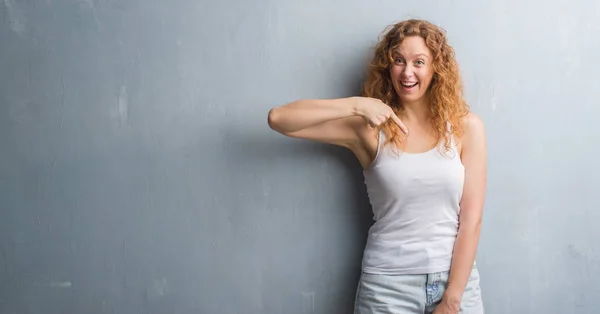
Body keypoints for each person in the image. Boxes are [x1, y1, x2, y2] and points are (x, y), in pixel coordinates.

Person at [267, 19, 486, 314]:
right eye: (398, 61)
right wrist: (357, 105)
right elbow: (279, 119)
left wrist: (452, 299)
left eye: (419, 62)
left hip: (456, 285)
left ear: (437, 67)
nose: (407, 72)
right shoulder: (369, 130)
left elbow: (471, 220)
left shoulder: (465, 127)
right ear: (388, 66)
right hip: (387, 288)